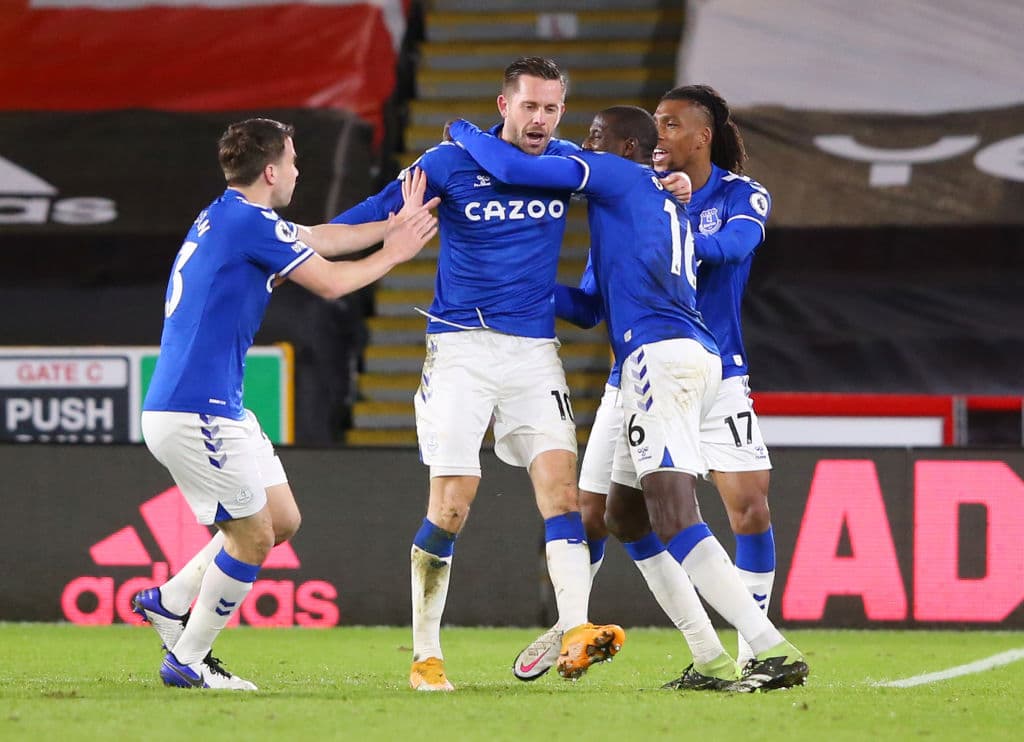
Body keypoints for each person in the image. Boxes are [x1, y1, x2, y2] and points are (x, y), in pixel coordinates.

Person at [446, 105, 809, 692]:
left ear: (626, 150)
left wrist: (463, 132)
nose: (585, 146)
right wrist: (513, 291)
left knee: (676, 512)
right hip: (666, 357)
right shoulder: (648, 203)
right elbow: (590, 307)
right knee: (622, 513)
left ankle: (768, 648)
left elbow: (518, 167)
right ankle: (711, 658)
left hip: (659, 358)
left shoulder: (623, 179)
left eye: (595, 138)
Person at [329, 57, 625, 692]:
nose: (541, 119)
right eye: (530, 106)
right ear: (503, 104)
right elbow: (372, 215)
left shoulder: (562, 165)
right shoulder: (444, 165)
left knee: (563, 494)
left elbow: (633, 187)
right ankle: (426, 655)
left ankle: (575, 628)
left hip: (533, 353)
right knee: (453, 504)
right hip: (461, 349)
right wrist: (293, 241)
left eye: (551, 108)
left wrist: (676, 187)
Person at [132, 117, 438, 690]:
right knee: (251, 537)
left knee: (280, 522)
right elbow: (331, 284)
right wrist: (394, 252)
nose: (299, 170)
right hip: (195, 409)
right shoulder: (248, 223)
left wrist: (389, 224)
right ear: (271, 171)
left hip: (214, 405)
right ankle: (189, 660)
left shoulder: (230, 214)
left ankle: (169, 600)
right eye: (294, 161)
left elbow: (317, 237)